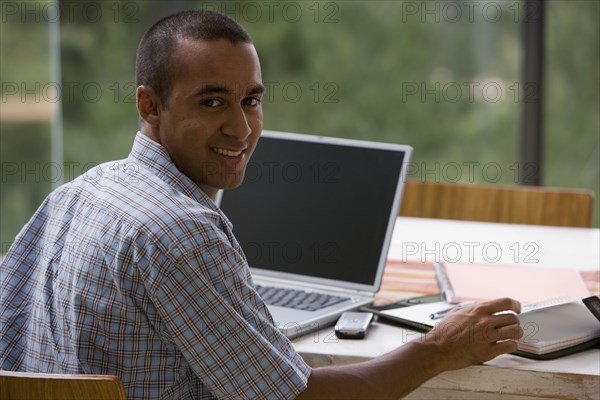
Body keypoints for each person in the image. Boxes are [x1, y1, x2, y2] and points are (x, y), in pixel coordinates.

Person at [0, 9, 523, 400]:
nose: (241, 127)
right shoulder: (180, 232)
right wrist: (438, 350)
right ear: (149, 105)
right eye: (211, 102)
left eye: (250, 100)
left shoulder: (79, 192)